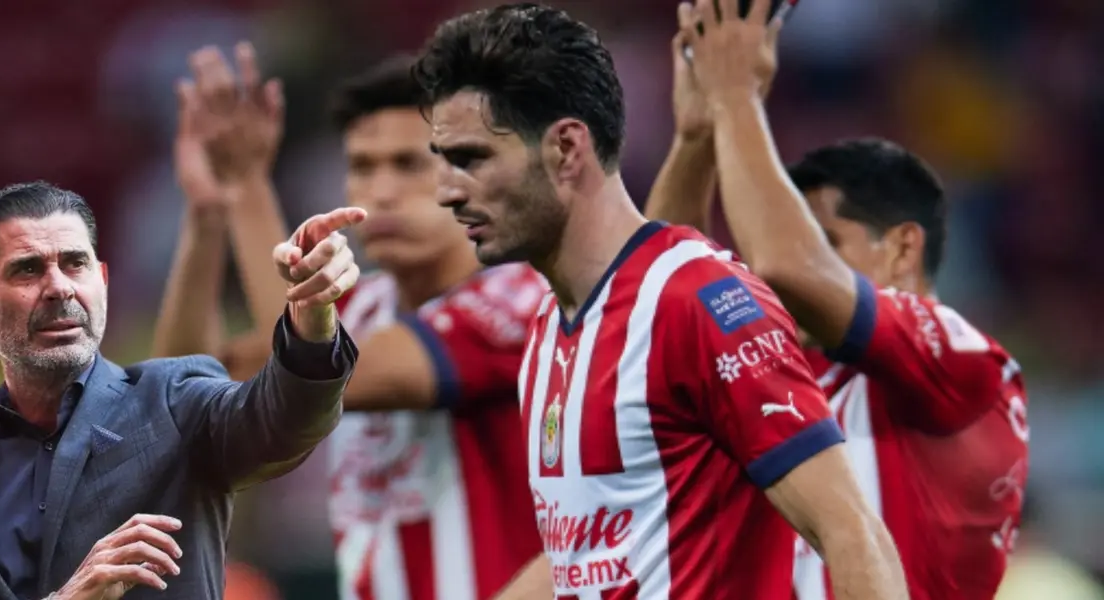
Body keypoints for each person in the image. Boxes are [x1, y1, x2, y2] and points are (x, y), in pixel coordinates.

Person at [413, 3, 908, 599]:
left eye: (470, 158)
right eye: (442, 162)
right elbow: (586, 556)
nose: (444, 192)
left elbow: (854, 534)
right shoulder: (552, 324)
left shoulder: (702, 300)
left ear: (566, 148)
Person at [645, 0, 1030, 598]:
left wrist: (736, 96)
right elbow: (657, 296)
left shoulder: (965, 362)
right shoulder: (789, 371)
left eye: (827, 242)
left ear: (902, 249)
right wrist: (697, 136)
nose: (770, 283)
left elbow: (784, 263)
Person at [152, 45, 545, 599]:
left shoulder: (518, 299)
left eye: (410, 164)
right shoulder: (357, 309)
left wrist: (248, 186)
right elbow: (181, 390)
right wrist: (210, 213)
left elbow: (320, 375)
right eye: (362, 166)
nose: (381, 192)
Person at [0, 181, 363, 600]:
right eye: (28, 270)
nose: (59, 287)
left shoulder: (177, 400)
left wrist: (312, 317)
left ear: (102, 280)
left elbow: (283, 422)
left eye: (75, 263)